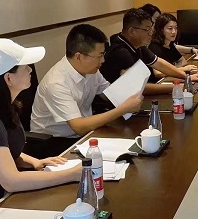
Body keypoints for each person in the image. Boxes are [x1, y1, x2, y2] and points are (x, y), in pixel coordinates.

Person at [0, 39, 81, 206]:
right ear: (8, 78)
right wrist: (72, 174)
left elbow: (4, 150)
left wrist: (35, 162)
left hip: (4, 195)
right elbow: (11, 181)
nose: (30, 69)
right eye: (25, 66)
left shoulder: (4, 106)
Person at [29, 24, 142, 157]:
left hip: (83, 134)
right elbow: (79, 127)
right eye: (99, 56)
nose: (103, 60)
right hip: (54, 143)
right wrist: (122, 109)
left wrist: (128, 86)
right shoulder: (56, 83)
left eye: (103, 54)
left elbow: (108, 93)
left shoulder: (91, 70)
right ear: (79, 56)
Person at [99, 8, 198, 95]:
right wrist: (176, 87)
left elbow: (159, 63)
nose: (151, 33)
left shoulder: (137, 45)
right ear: (132, 31)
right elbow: (139, 87)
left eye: (151, 28)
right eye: (147, 29)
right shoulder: (121, 52)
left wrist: (187, 77)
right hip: (113, 104)